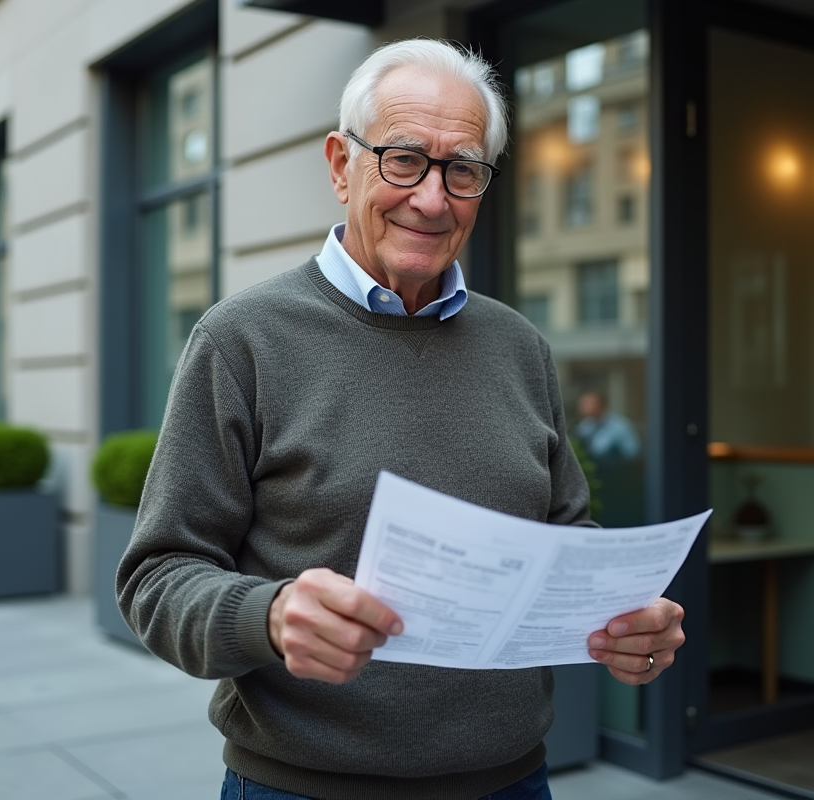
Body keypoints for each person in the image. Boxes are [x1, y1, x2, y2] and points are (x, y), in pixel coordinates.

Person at [117, 39, 685, 800]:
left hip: (511, 782)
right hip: (303, 788)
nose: (432, 198)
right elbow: (157, 577)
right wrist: (269, 615)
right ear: (340, 165)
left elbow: (563, 537)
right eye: (404, 160)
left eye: (463, 170)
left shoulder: (520, 346)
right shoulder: (241, 340)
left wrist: (621, 617)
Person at [573, 389, 641, 461]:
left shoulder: (620, 426)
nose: (582, 408)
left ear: (600, 405)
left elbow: (632, 453)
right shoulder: (585, 425)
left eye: (587, 404)